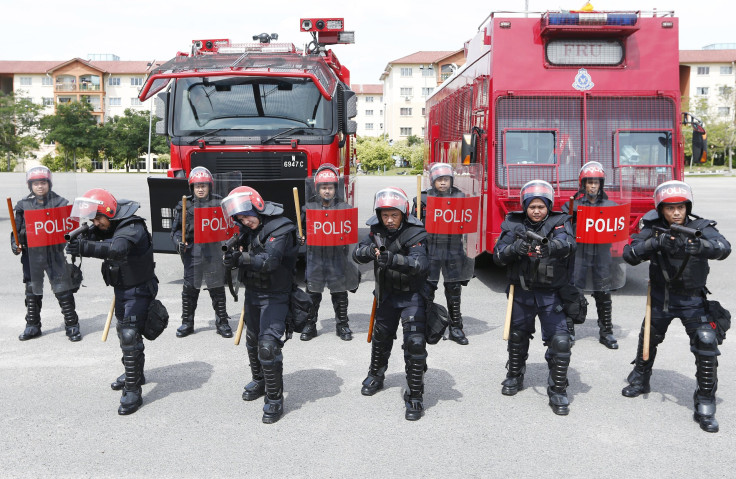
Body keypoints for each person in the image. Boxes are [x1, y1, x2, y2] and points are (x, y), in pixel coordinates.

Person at [622, 180, 730, 433]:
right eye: (671, 208)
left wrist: (702, 246)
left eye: (681, 207)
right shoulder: (654, 228)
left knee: (705, 341)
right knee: (649, 337)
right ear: (662, 210)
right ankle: (640, 378)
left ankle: (705, 400)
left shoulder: (700, 228)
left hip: (692, 299)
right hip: (661, 297)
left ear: (687, 207)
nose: (677, 213)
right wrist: (654, 244)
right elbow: (630, 253)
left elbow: (724, 248)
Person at [65, 188, 159, 415]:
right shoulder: (112, 224)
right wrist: (85, 237)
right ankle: (135, 373)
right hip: (123, 289)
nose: (96, 222)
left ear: (110, 213)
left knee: (129, 335)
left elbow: (117, 249)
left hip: (139, 289)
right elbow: (103, 237)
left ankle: (132, 390)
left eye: (99, 218)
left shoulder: (133, 226)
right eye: (93, 219)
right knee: (125, 334)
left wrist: (85, 247)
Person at [493, 180, 576, 415]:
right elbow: (498, 255)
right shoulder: (513, 223)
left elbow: (570, 244)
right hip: (522, 291)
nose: (537, 211)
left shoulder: (559, 222)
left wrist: (553, 248)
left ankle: (558, 389)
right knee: (517, 336)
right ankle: (514, 376)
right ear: (525, 206)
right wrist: (513, 248)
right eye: (532, 206)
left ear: (548, 206)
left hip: (551, 293)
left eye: (541, 206)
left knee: (560, 342)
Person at [221, 186, 298, 424]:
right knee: (253, 340)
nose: (245, 221)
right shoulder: (246, 229)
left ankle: (274, 399)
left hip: (275, 294)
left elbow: (269, 261)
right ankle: (260, 380)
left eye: (247, 216)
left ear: (258, 207)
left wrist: (241, 258)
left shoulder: (281, 227)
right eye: (240, 218)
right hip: (253, 293)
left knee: (268, 346)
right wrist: (230, 256)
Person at [353, 187, 430, 421]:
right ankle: (376, 374)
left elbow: (420, 264)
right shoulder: (375, 231)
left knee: (415, 343)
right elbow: (356, 254)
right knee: (381, 336)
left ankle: (415, 394)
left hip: (411, 295)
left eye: (394, 215)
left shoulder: (416, 233)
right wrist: (368, 251)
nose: (389, 220)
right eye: (385, 214)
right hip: (386, 294)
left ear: (403, 213)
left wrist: (393, 259)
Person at [11, 166, 82, 342]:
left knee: (63, 289)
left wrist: (74, 243)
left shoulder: (60, 203)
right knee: (32, 292)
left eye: (43, 182)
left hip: (54, 253)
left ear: (49, 183)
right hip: (31, 255)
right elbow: (16, 230)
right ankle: (32, 325)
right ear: (30, 185)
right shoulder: (23, 205)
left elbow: (71, 228)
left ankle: (72, 325)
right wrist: (15, 244)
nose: (40, 187)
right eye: (35, 183)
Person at [412, 162, 472, 345]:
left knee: (454, 289)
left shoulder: (461, 197)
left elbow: (469, 226)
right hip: (431, 250)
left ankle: (456, 327)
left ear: (452, 180)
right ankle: (425, 324)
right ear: (432, 181)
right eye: (439, 179)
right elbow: (413, 227)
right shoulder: (422, 199)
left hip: (453, 249)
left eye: (446, 179)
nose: (443, 183)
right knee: (427, 289)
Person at [299, 164, 360, 341]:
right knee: (313, 293)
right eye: (324, 187)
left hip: (337, 258)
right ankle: (310, 325)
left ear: (336, 188)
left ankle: (343, 325)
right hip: (315, 258)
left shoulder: (345, 208)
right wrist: (300, 236)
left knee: (340, 293)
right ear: (318, 189)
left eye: (330, 187)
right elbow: (301, 229)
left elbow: (351, 233)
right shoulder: (307, 208)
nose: (327, 191)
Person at [170, 166, 233, 339]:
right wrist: (178, 242)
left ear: (209, 186)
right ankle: (187, 323)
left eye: (203, 185)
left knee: (217, 288)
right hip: (193, 252)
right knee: (190, 289)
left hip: (213, 252)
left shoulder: (219, 203)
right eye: (197, 186)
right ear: (191, 187)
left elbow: (229, 227)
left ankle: (222, 322)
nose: (200, 189)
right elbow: (175, 231)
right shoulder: (185, 205)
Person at [562, 161, 619, 349]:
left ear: (601, 184)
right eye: (589, 182)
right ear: (583, 184)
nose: (593, 185)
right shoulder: (572, 206)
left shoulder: (611, 205)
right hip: (579, 254)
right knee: (573, 290)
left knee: (604, 291)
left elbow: (618, 228)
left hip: (602, 254)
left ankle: (607, 332)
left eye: (596, 182)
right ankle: (568, 330)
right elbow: (563, 227)